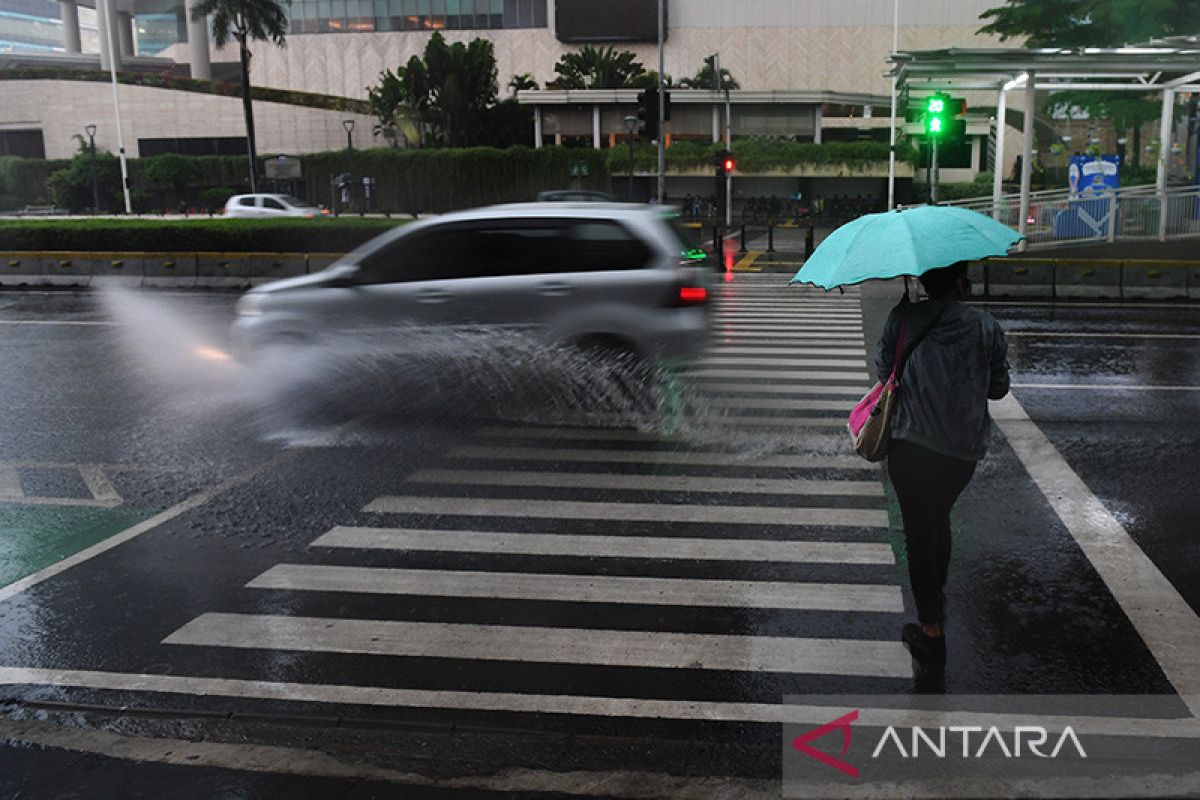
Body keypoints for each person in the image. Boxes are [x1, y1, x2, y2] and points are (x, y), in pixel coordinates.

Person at [874, 261, 1010, 676]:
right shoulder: (986, 326)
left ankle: (930, 629)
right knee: (938, 518)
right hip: (962, 451)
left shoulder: (904, 318)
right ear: (960, 281)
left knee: (919, 531)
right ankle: (937, 593)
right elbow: (998, 389)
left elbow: (884, 374)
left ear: (924, 281)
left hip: (911, 445)